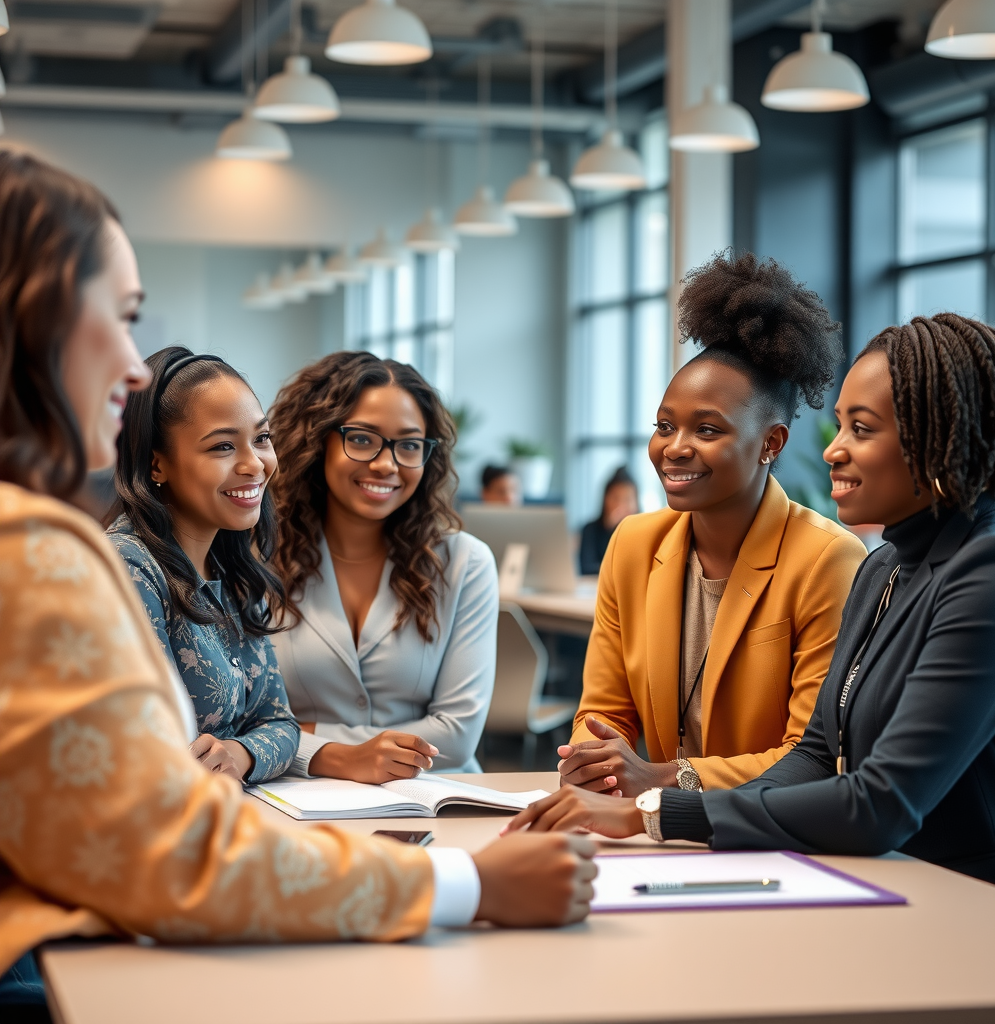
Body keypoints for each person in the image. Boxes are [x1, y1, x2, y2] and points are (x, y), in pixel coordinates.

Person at [0, 152, 597, 1008]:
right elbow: (173, 856)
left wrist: (261, 749)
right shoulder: (44, 556)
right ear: (34, 322)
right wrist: (468, 887)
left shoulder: (226, 570)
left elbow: (267, 730)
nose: (133, 368)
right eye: (121, 318)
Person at [506, 312, 995, 893]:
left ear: (939, 435)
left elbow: (881, 801)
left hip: (973, 901)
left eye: (862, 429)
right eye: (841, 427)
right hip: (870, 877)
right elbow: (814, 755)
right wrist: (653, 807)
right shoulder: (885, 566)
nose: (833, 451)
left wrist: (652, 811)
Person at [557, 252, 865, 797]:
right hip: (655, 828)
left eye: (706, 430)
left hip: (770, 834)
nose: (674, 449)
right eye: (664, 426)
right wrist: (592, 755)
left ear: (771, 443)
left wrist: (660, 778)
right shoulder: (632, 544)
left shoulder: (827, 560)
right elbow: (604, 711)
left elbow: (814, 754)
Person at [269, 352, 498, 780]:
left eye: (409, 445)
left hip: (438, 798)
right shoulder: (260, 559)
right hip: (299, 798)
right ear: (318, 440)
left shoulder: (465, 563)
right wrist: (339, 757)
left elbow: (456, 735)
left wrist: (307, 737)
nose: (386, 464)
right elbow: (240, 725)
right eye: (361, 439)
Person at [106, 345, 299, 784]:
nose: (255, 464)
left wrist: (241, 753)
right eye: (223, 446)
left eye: (262, 438)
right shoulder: (129, 567)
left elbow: (282, 723)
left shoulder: (231, 572)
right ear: (157, 463)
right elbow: (147, 748)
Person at [578, 465, 639, 575]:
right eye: (615, 498)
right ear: (605, 499)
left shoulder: (644, 531)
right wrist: (609, 529)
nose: (621, 505)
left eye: (627, 499)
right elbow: (587, 567)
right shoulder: (590, 529)